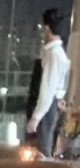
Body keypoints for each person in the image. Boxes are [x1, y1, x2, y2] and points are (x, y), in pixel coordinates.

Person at [26, 8, 71, 157]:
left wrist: (35, 118)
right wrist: (60, 97)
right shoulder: (54, 52)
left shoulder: (53, 54)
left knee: (40, 153)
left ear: (46, 28)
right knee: (39, 152)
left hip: (45, 110)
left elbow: (47, 89)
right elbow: (59, 83)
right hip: (48, 106)